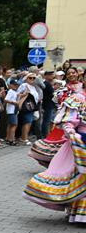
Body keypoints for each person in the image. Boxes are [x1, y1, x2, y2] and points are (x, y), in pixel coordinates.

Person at [24, 77, 86, 223]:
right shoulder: (78, 98)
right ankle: (79, 214)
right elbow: (68, 121)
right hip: (81, 144)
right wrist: (71, 133)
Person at [16, 73, 39, 145]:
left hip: (32, 107)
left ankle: (24, 137)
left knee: (29, 122)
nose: (32, 79)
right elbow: (17, 94)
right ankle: (24, 138)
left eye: (33, 78)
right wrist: (24, 94)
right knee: (27, 122)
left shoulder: (33, 87)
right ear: (26, 78)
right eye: (30, 78)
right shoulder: (24, 85)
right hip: (26, 107)